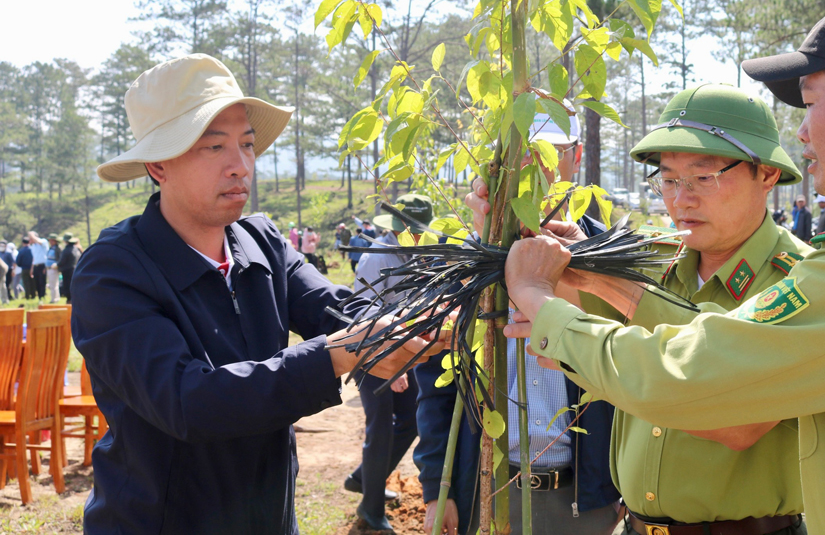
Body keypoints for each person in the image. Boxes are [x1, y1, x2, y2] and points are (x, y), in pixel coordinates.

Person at [503, 0, 825, 534]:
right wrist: (598, 278)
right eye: (669, 178)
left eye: (811, 103)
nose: (803, 132)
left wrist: (540, 303)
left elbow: (697, 380)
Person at [71, 53, 444, 535]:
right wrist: (335, 355)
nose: (240, 166)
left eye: (247, 145)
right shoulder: (114, 271)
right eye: (213, 148)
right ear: (158, 166)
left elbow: (334, 308)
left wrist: (406, 325)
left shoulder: (260, 242)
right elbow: (188, 401)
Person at [467, 90, 811, 535]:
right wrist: (513, 236)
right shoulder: (656, 261)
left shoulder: (800, 280)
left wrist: (598, 287)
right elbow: (565, 331)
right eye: (668, 180)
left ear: (765, 175)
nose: (680, 201)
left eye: (702, 178)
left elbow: (735, 419)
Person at [419, 109, 620, 535]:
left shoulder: (610, 258)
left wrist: (623, 489)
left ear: (576, 157)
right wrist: (438, 488)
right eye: (524, 155)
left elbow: (634, 373)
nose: (538, 168)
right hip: (490, 489)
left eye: (552, 152)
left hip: (587, 500)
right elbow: (436, 385)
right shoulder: (467, 263)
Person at [345, 194, 435, 532]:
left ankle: (364, 478)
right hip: (372, 352)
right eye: (406, 230)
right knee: (380, 427)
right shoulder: (377, 258)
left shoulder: (417, 254)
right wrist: (389, 361)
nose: (410, 236)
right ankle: (371, 510)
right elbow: (364, 316)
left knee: (412, 419)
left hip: (401, 353)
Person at [58, 233, 81, 303]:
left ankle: (69, 300)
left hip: (67, 271)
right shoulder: (76, 249)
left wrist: (57, 265)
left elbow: (62, 261)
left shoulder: (66, 250)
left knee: (67, 286)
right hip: (75, 269)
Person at [27, 231, 48, 300]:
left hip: (43, 265)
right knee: (37, 282)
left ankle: (42, 296)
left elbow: (40, 242)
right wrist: (32, 268)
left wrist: (32, 235)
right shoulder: (33, 246)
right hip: (36, 265)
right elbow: (34, 258)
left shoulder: (43, 241)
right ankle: (39, 297)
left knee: (42, 281)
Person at [45, 233, 62, 303]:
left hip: (54, 268)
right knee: (52, 284)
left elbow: (60, 258)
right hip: (49, 268)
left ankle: (55, 299)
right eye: (50, 241)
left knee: (54, 284)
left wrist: (57, 265)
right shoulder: (50, 248)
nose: (50, 242)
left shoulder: (58, 249)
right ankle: (54, 298)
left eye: (52, 241)